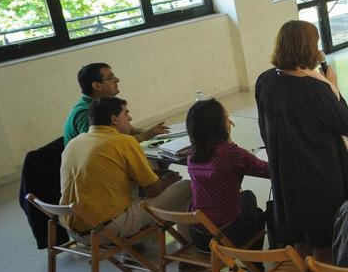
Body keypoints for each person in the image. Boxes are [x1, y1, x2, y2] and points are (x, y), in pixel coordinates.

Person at [256, 20, 348, 261]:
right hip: (318, 174)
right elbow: (346, 124)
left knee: (298, 233)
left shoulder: (266, 80)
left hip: (284, 169)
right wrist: (333, 86)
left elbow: (264, 124)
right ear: (308, 48)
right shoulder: (314, 89)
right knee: (322, 238)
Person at [60, 97, 192, 240]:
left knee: (138, 191)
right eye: (126, 113)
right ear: (114, 119)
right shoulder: (123, 142)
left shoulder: (73, 143)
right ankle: (189, 246)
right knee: (188, 187)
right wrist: (168, 178)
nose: (129, 118)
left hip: (73, 230)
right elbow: (153, 190)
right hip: (106, 230)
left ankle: (145, 244)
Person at [185, 98, 267, 251]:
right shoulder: (230, 153)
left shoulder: (192, 152)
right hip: (224, 235)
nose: (230, 121)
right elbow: (266, 169)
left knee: (246, 196)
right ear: (219, 125)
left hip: (198, 233)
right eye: (227, 117)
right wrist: (228, 138)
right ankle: (255, 268)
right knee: (255, 210)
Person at [63, 63, 166, 146]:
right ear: (97, 86)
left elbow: (130, 130)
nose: (117, 80)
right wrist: (146, 136)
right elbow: (102, 147)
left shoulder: (106, 104)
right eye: (111, 78)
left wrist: (152, 132)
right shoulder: (87, 113)